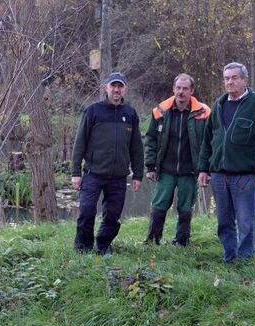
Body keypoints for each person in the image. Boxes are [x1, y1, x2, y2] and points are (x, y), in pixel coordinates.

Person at [197, 62, 255, 263]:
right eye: (226, 78)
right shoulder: (218, 105)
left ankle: (245, 259)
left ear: (244, 80)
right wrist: (203, 169)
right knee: (224, 221)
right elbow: (208, 140)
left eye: (234, 78)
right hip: (219, 175)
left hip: (245, 175)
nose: (229, 82)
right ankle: (229, 257)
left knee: (246, 221)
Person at [71, 72, 144, 255]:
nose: (117, 90)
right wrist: (75, 173)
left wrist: (137, 174)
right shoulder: (93, 111)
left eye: (120, 86)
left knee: (112, 216)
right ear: (106, 88)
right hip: (93, 174)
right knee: (86, 212)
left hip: (118, 176)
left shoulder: (130, 114)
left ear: (125, 89)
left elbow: (136, 147)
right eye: (113, 86)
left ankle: (103, 246)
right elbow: (79, 143)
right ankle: (83, 248)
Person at [144, 73, 210, 246]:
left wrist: (206, 169)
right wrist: (150, 166)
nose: (181, 92)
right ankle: (152, 240)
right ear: (173, 89)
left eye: (185, 89)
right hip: (165, 169)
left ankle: (182, 241)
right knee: (159, 205)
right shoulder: (160, 111)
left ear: (192, 91)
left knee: (185, 207)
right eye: (178, 88)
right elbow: (150, 140)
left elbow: (210, 143)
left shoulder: (204, 112)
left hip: (190, 170)